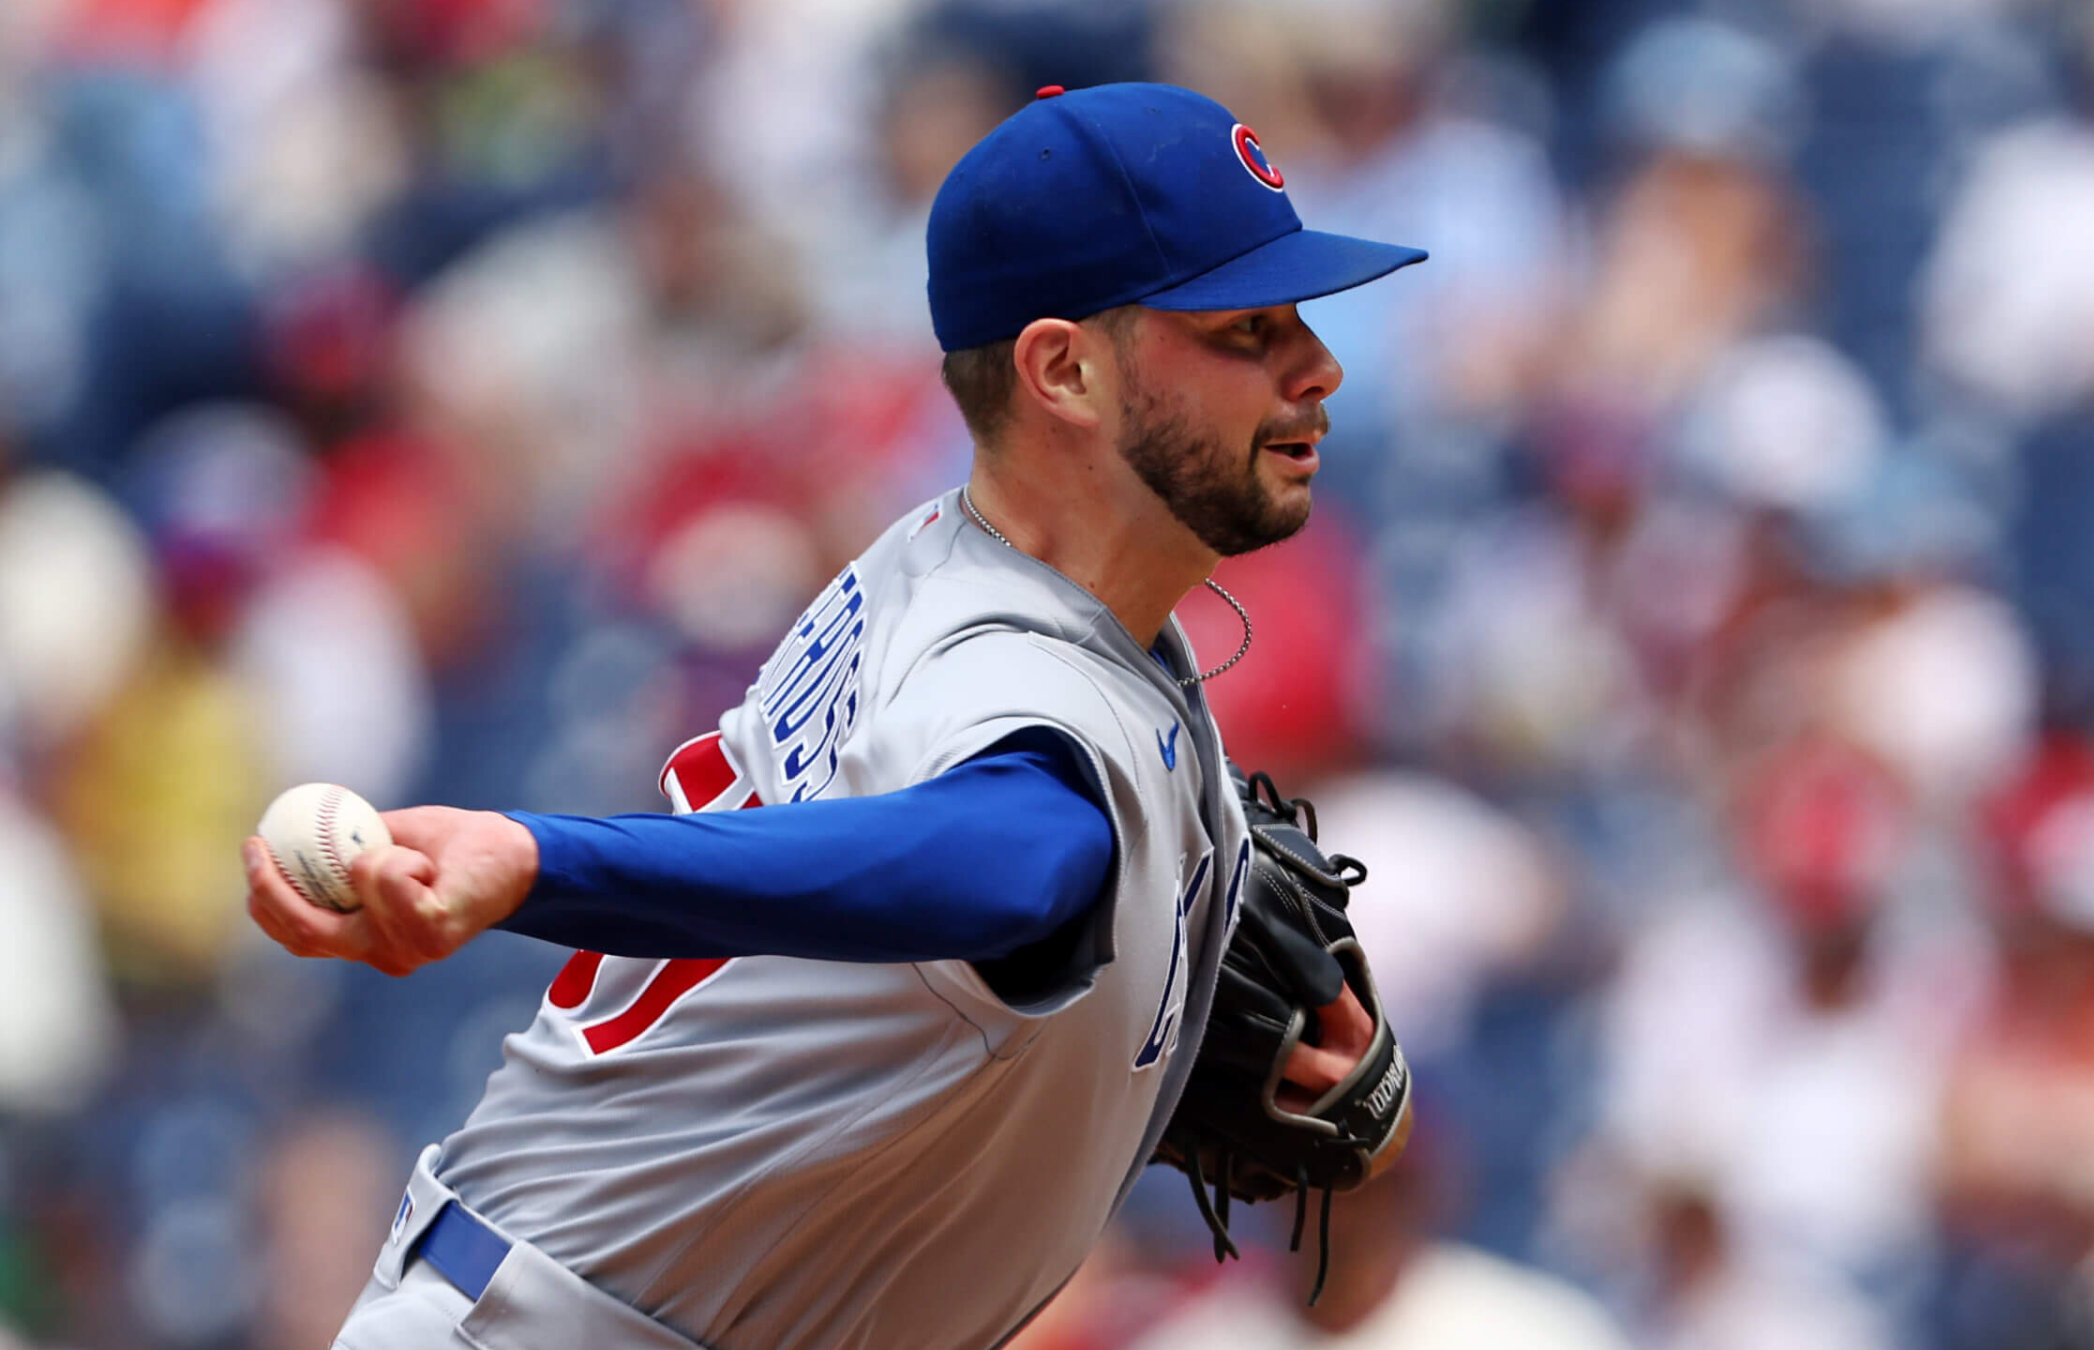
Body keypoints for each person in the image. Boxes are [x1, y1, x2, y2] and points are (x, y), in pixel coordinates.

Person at [241, 82, 1426, 1350]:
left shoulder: (977, 575)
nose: (1318, 367)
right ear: (1065, 370)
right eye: (1246, 329)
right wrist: (538, 860)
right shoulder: (1018, 682)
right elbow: (1012, 862)